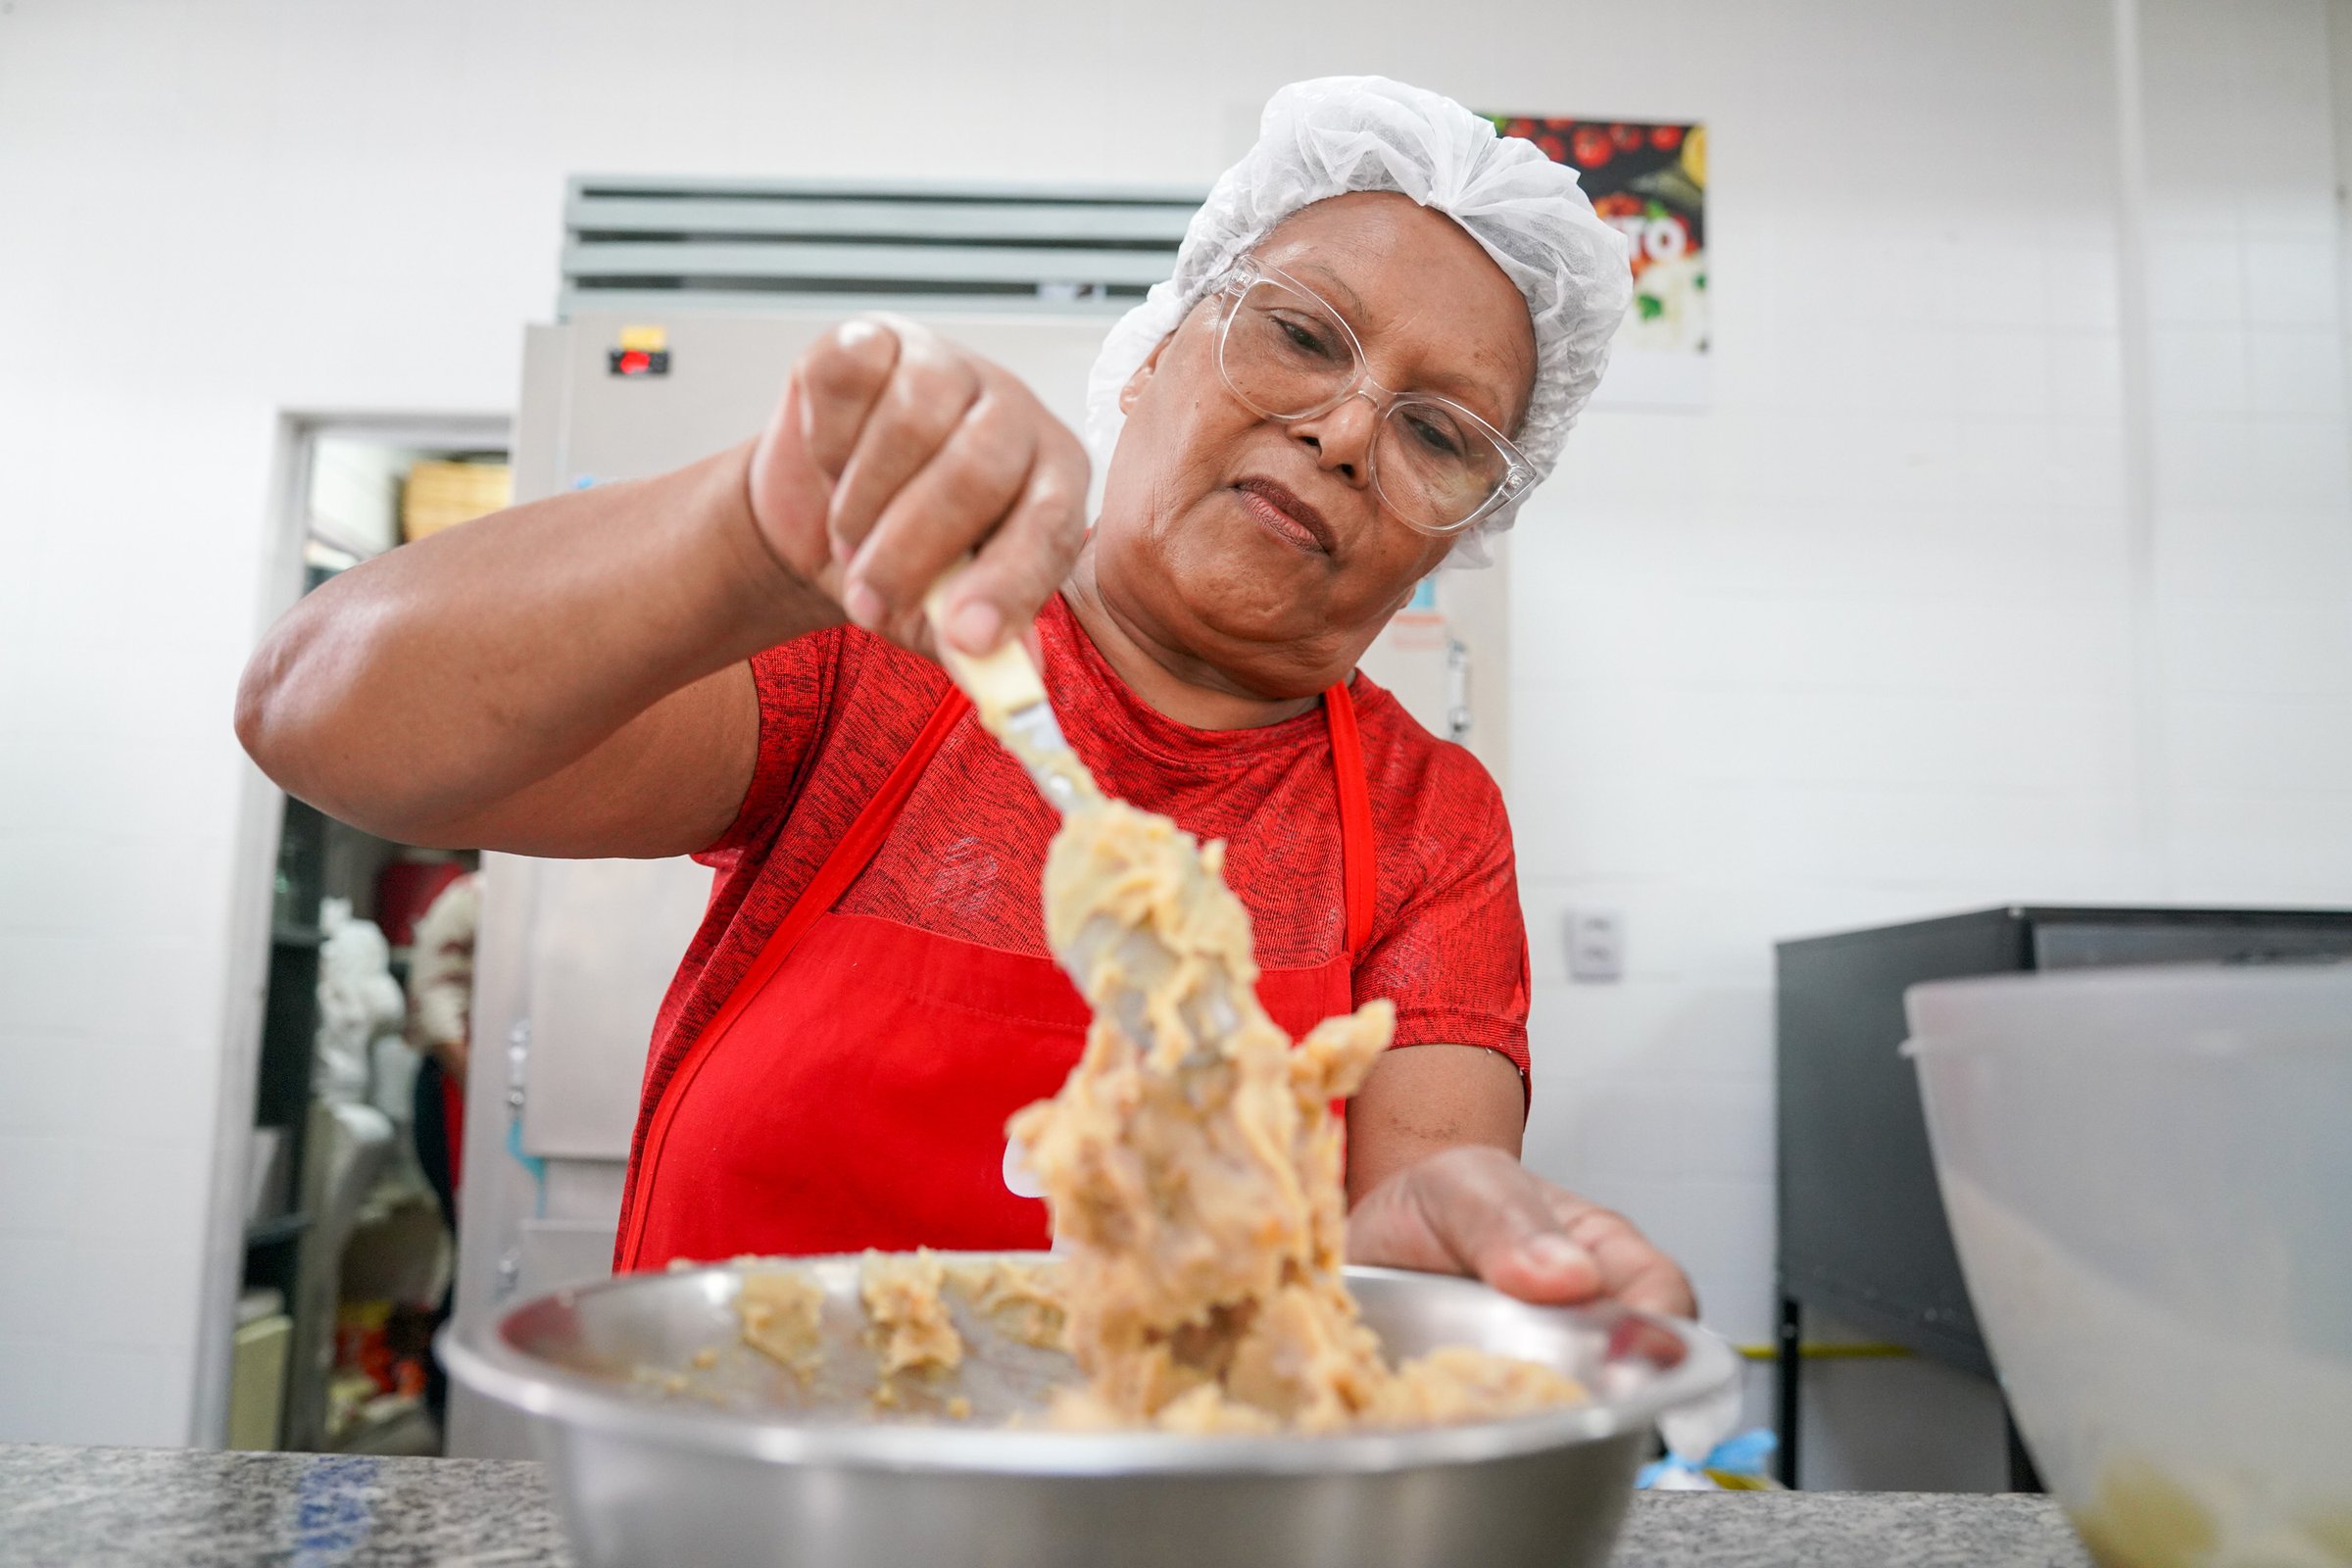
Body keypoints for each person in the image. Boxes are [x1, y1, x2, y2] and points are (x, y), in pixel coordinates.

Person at [236, 76, 1694, 1317]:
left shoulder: (1431, 820)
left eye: (1439, 432)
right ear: (1152, 354)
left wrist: (1435, 1264)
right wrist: (751, 533)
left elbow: (1421, 1203)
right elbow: (317, 713)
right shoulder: (883, 655)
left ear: (1464, 526)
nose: (1344, 429)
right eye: (1304, 335)